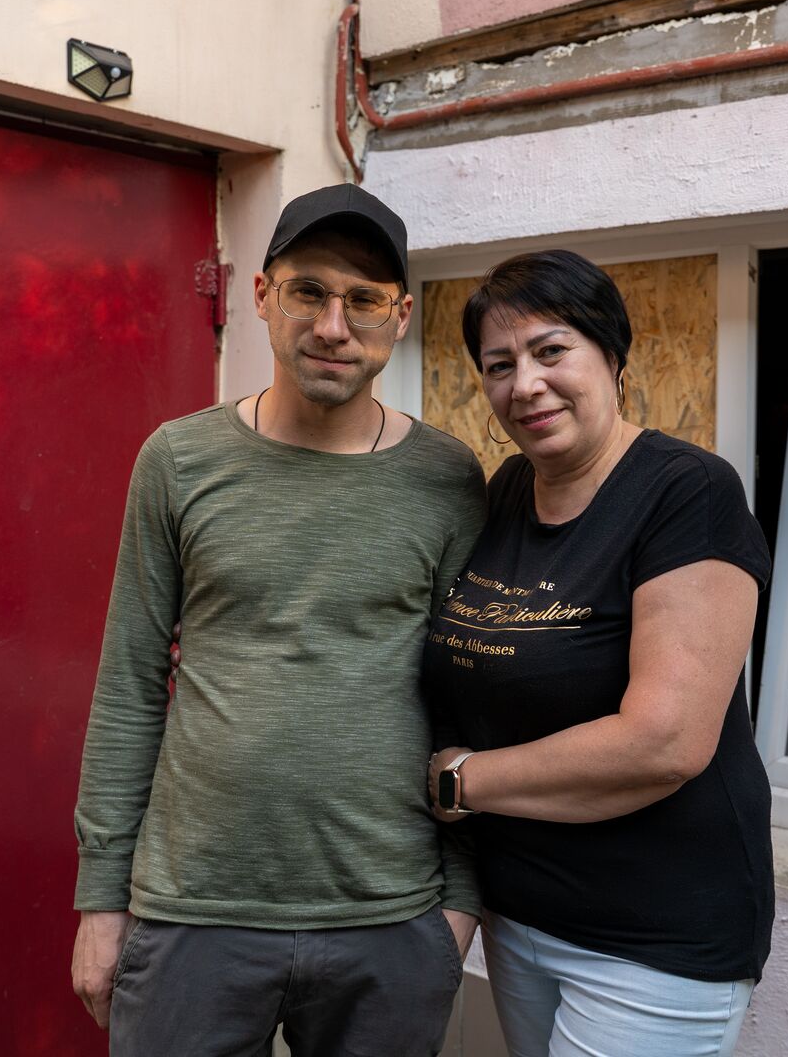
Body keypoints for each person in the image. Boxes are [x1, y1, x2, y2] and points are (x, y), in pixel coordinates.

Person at [71, 183, 485, 1055]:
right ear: (262, 296)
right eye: (309, 292)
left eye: (364, 300)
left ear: (400, 317)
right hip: (195, 910)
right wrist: (102, 902)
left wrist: (458, 908)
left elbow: (470, 700)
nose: (334, 326)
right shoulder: (179, 460)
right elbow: (129, 685)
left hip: (390, 916)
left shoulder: (446, 479)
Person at [423, 249, 773, 1057]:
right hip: (521, 917)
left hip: (653, 940)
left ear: (612, 354)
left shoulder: (688, 493)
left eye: (551, 351)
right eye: (499, 365)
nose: (526, 385)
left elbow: (665, 742)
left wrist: (459, 781)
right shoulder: (508, 492)